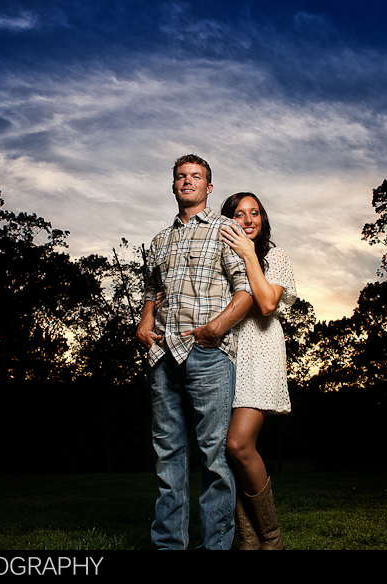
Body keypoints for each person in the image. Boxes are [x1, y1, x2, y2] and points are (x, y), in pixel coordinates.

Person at [137, 154, 254, 550]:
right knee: (167, 454)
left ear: (209, 186)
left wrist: (214, 330)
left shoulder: (227, 230)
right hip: (163, 355)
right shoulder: (157, 241)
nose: (188, 182)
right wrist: (144, 321)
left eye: (196, 177)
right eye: (181, 176)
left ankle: (216, 546)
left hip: (209, 355)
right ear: (173, 185)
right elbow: (152, 289)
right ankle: (169, 545)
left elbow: (246, 290)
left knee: (214, 459)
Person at [220, 192, 297, 550]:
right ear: (228, 221)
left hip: (260, 351)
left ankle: (271, 537)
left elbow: (267, 303)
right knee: (225, 449)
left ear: (262, 219)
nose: (248, 219)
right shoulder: (220, 258)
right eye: (239, 214)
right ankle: (248, 539)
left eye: (255, 213)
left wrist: (250, 254)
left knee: (238, 443)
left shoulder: (274, 255)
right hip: (226, 354)